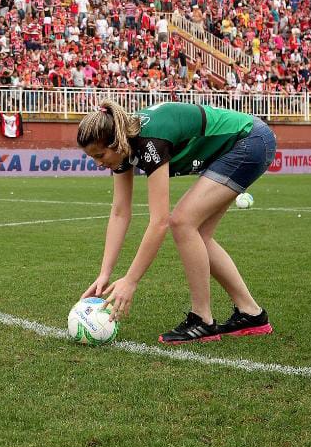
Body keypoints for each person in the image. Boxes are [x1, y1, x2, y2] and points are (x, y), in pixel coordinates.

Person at [77, 99, 276, 344]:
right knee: (198, 235)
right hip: (242, 143)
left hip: (250, 140)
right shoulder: (124, 146)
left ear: (116, 142)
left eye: (100, 155)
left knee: (182, 221)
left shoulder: (150, 141)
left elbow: (159, 221)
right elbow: (120, 212)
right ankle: (251, 314)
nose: (98, 163)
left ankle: (202, 319)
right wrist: (104, 273)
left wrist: (131, 280)